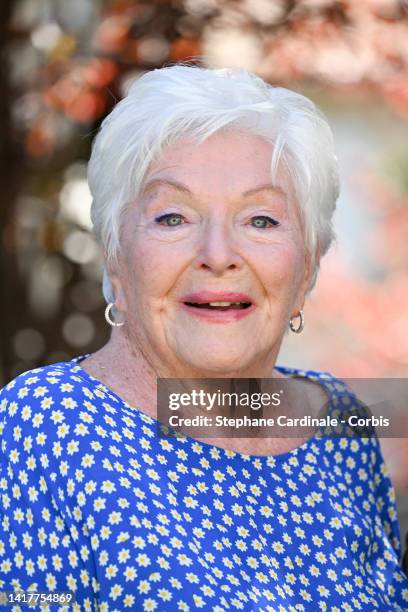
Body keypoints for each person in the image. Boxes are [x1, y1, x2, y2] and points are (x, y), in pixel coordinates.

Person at [1, 65, 407, 612]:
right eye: (173, 218)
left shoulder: (341, 422)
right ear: (117, 260)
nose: (218, 254)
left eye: (261, 220)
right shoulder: (39, 429)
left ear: (308, 266)